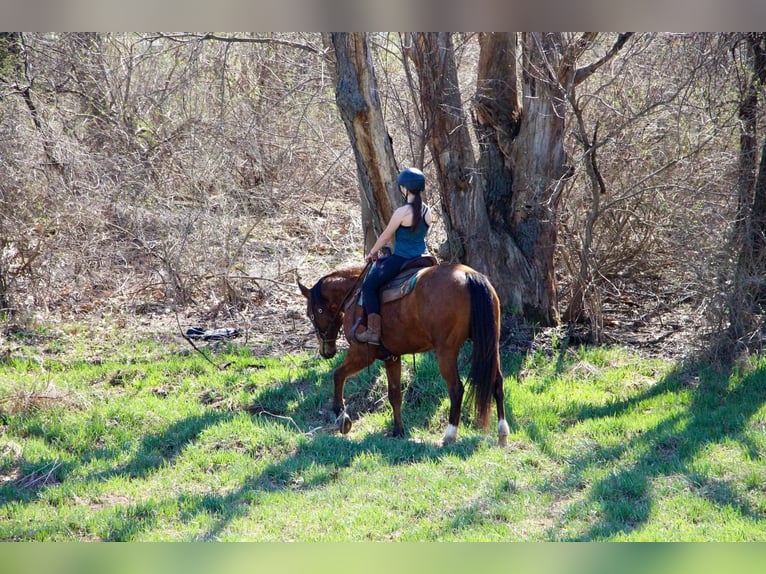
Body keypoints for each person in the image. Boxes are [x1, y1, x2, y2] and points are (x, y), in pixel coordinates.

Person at [356, 167, 434, 345]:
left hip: (402, 259)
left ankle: (373, 332)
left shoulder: (402, 212)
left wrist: (372, 253)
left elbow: (385, 236)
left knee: (368, 286)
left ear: (405, 188)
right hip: (424, 258)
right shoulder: (427, 211)